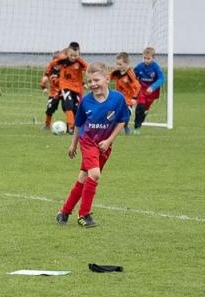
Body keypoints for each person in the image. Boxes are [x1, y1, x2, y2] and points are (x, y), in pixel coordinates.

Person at [56, 64, 128, 228]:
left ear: (107, 78)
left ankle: (64, 212)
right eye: (89, 81)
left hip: (104, 145)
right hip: (88, 142)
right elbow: (78, 124)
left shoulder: (118, 99)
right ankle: (84, 215)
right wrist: (73, 144)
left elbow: (122, 120)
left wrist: (109, 140)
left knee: (83, 178)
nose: (93, 84)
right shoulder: (86, 101)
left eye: (96, 80)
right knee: (94, 175)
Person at [41, 42, 87, 132]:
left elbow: (79, 73)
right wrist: (45, 83)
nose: (73, 58)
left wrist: (84, 83)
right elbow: (49, 70)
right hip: (56, 91)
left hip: (71, 89)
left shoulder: (74, 64)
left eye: (75, 56)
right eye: (71, 56)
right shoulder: (55, 69)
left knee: (73, 107)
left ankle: (72, 125)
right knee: (51, 108)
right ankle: (48, 124)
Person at [132, 46, 165, 130]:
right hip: (141, 89)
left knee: (145, 110)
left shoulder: (156, 67)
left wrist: (152, 87)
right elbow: (133, 76)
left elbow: (162, 79)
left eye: (148, 58)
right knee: (140, 106)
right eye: (145, 58)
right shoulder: (140, 66)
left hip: (151, 92)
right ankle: (136, 125)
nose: (146, 60)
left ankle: (139, 125)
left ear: (153, 58)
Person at [109, 53, 141, 134]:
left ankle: (125, 125)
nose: (118, 66)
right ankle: (110, 127)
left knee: (125, 115)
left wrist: (134, 98)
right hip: (118, 98)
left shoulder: (130, 74)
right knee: (111, 111)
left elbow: (138, 86)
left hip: (129, 99)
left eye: (120, 64)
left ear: (126, 64)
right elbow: (107, 77)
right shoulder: (116, 72)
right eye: (117, 64)